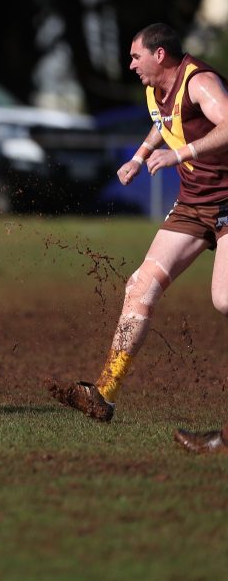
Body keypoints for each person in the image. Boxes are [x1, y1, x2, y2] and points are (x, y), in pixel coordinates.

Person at [50, 22, 228, 422]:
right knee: (140, 285)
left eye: (135, 56)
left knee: (224, 299)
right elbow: (163, 121)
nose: (130, 65)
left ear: (159, 54)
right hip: (193, 205)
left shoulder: (200, 83)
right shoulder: (155, 91)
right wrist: (140, 155)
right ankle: (104, 394)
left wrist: (181, 156)